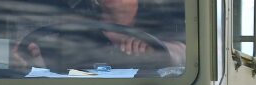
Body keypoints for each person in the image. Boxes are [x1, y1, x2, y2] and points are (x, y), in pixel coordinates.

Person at [16, 0, 186, 70]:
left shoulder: (169, 14)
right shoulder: (72, 21)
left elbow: (191, 57)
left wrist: (164, 52)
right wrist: (30, 62)